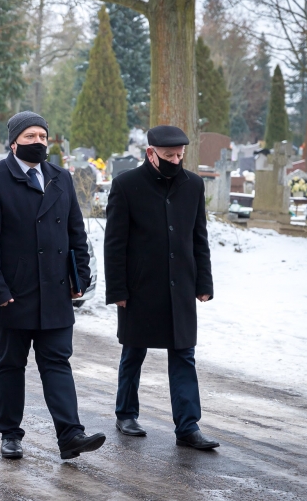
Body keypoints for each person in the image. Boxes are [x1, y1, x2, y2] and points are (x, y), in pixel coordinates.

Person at [0, 111, 106, 461]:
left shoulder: (60, 177)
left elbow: (76, 232)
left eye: (43, 136)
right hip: (14, 293)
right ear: (13, 142)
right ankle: (10, 434)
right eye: (30, 136)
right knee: (11, 364)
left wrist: (81, 276)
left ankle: (70, 434)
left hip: (55, 291)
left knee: (57, 362)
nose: (38, 142)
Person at [104, 125, 219, 450]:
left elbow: (199, 238)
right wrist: (118, 291)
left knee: (184, 355)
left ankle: (188, 426)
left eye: (180, 155)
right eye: (169, 156)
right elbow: (115, 243)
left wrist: (203, 282)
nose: (176, 160)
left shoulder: (192, 185)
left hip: (180, 286)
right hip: (140, 287)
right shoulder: (126, 185)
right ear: (150, 153)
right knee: (134, 351)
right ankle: (126, 413)